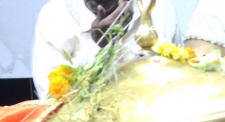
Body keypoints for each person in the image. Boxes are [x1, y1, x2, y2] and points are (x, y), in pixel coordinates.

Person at [32, 0, 183, 99]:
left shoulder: (158, 7)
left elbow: (181, 80)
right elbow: (50, 98)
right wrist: (97, 45)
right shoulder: (55, 15)